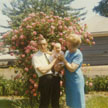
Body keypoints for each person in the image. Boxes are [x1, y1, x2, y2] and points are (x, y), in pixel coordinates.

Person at [58, 34, 85, 108]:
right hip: (69, 81)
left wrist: (63, 59)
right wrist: (60, 65)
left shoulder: (78, 54)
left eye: (69, 44)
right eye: (67, 43)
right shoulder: (67, 52)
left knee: (78, 103)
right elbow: (66, 64)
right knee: (71, 103)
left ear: (74, 45)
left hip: (76, 81)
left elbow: (72, 68)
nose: (67, 45)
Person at [32, 37, 60, 108]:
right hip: (45, 80)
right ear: (37, 45)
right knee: (44, 102)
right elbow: (43, 71)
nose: (42, 46)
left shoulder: (50, 54)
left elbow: (58, 67)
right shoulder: (35, 57)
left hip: (55, 78)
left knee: (56, 102)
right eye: (40, 44)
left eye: (44, 44)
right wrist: (54, 61)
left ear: (47, 44)